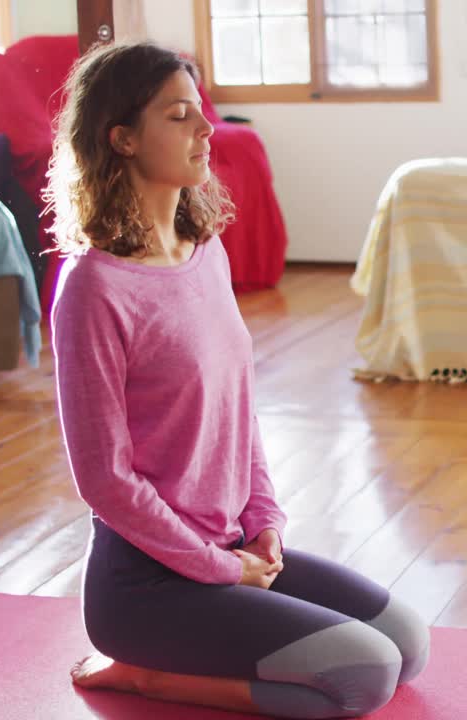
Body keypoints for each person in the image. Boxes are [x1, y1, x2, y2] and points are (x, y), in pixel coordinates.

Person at [46, 41, 429, 719]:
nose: (205, 131)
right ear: (123, 138)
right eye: (179, 116)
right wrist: (221, 568)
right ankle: (145, 674)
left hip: (230, 549)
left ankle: (189, 633)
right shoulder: (92, 288)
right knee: (363, 677)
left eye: (202, 114)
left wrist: (264, 524)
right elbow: (104, 480)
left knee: (409, 642)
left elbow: (238, 410)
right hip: (145, 586)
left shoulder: (207, 254)